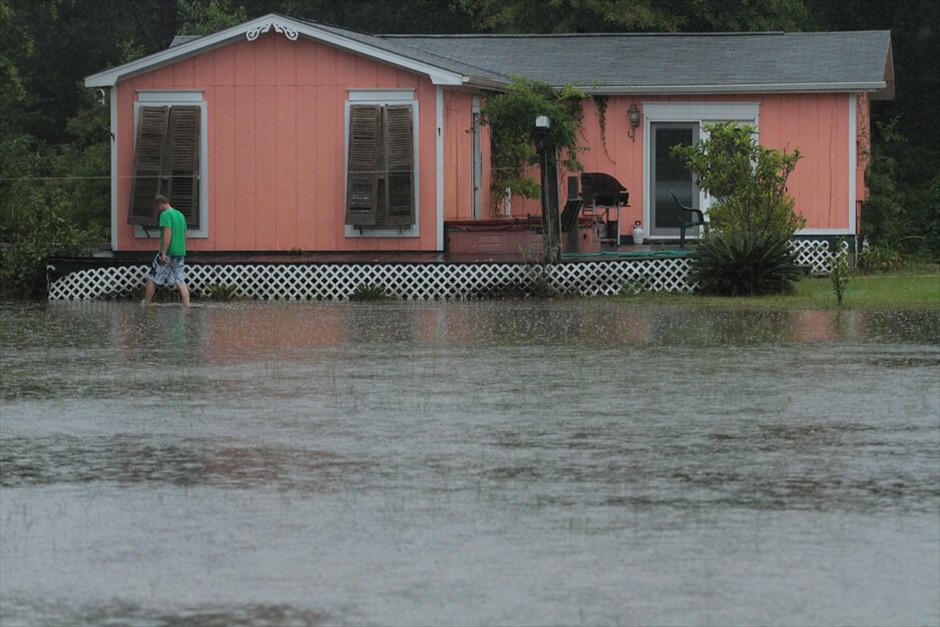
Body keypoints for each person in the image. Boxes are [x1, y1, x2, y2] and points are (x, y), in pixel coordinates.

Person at [144, 195, 191, 305]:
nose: (157, 211)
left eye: (156, 208)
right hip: (180, 252)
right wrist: (182, 249)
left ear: (159, 204)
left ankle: (147, 303)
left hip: (168, 252)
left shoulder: (165, 215)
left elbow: (167, 233)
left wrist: (163, 253)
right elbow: (185, 235)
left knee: (152, 278)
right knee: (180, 280)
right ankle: (187, 305)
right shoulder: (180, 215)